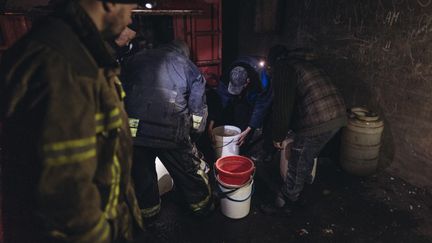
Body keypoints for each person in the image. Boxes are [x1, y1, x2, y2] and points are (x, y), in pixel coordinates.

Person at [0, 0, 146, 242]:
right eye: (130, 9)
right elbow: (66, 198)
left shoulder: (80, 54)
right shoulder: (63, 66)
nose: (130, 19)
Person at [121, 40, 214, 220]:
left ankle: (149, 213)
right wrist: (194, 134)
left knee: (142, 176)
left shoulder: (134, 60)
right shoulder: (188, 67)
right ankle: (202, 207)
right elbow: (198, 110)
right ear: (183, 53)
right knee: (189, 172)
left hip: (133, 131)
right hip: (171, 132)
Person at [261, 45, 347, 215]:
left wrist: (277, 136)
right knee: (306, 155)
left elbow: (283, 107)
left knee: (297, 161)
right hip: (338, 115)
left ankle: (286, 202)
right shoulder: (304, 63)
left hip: (319, 119)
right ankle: (302, 189)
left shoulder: (284, 68)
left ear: (273, 62)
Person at [207, 56, 273, 157]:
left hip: (255, 97)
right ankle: (239, 143)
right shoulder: (228, 74)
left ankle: (246, 148)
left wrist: (248, 130)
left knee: (251, 122)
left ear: (247, 82)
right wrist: (211, 125)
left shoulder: (262, 80)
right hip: (243, 97)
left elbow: (261, 106)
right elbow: (220, 99)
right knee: (239, 116)